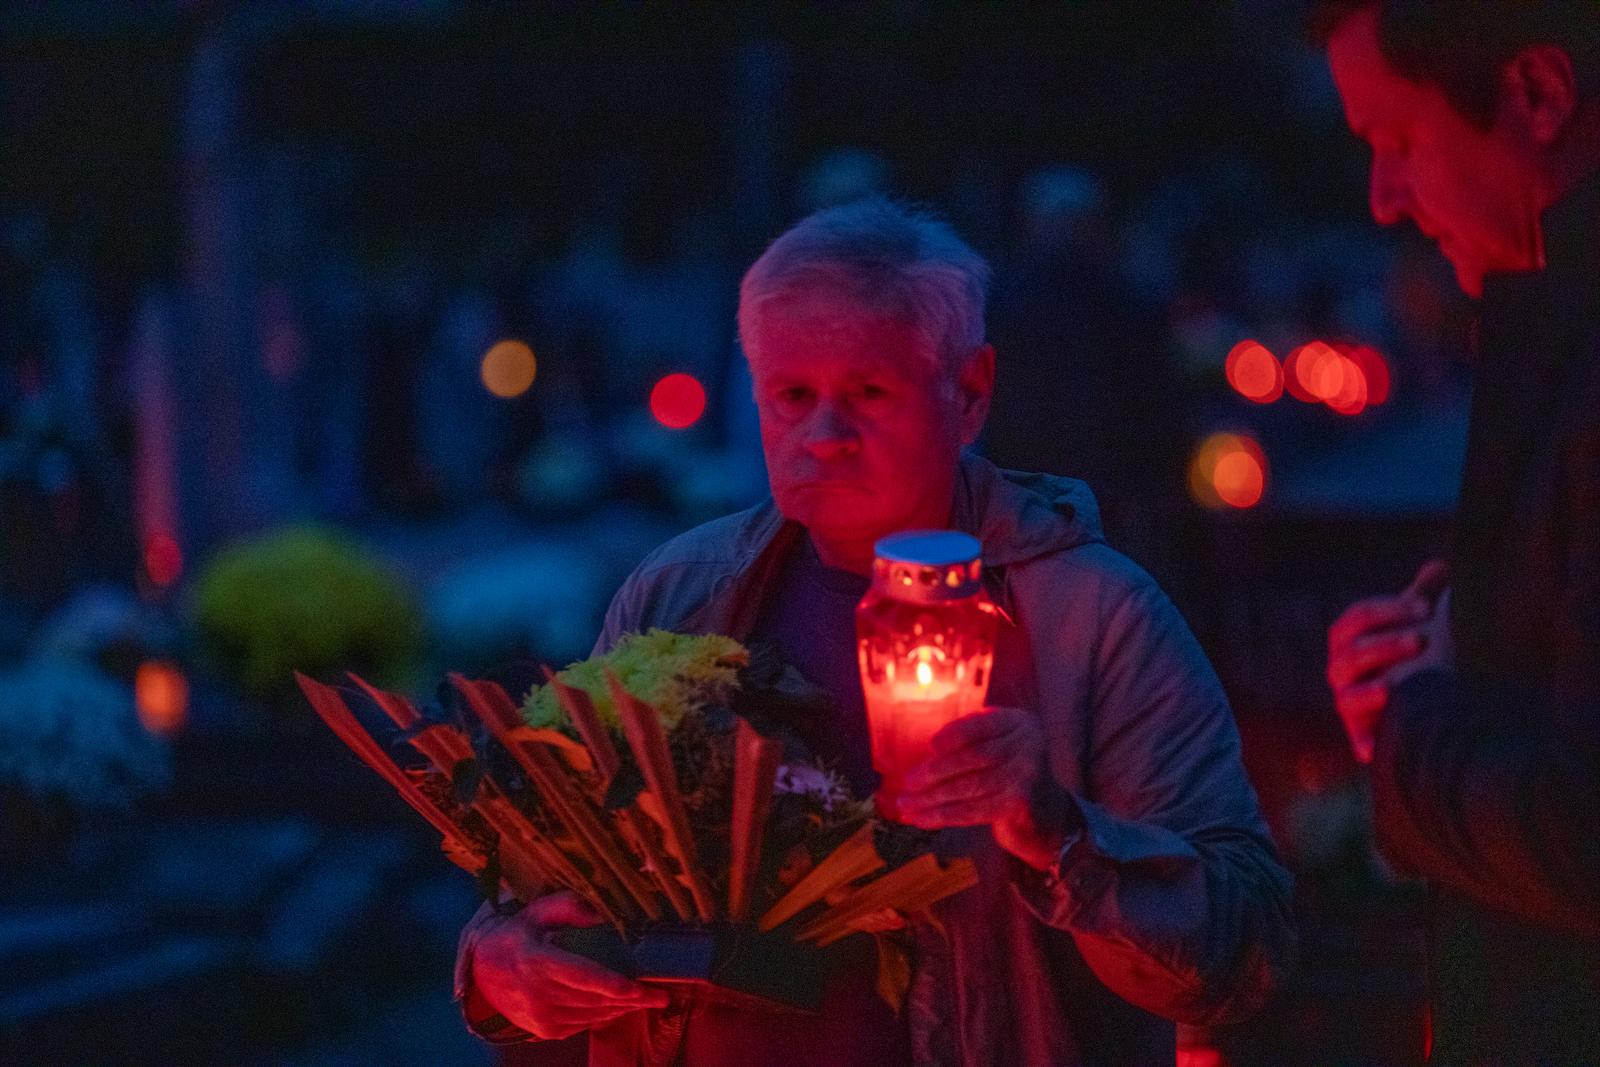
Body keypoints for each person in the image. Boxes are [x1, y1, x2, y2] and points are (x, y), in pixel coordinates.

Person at [455, 198, 1294, 1066]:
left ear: (968, 394)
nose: (823, 435)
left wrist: (1063, 838)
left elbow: (1249, 950)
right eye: (792, 395)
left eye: (867, 392)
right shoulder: (679, 594)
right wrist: (500, 967)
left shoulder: (1091, 619)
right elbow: (550, 884)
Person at [1316, 2, 1600, 1061]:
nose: (1384, 199)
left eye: (1397, 141)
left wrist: (1413, 716)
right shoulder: (1551, 333)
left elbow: (1583, 833)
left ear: (1535, 94)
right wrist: (1441, 674)